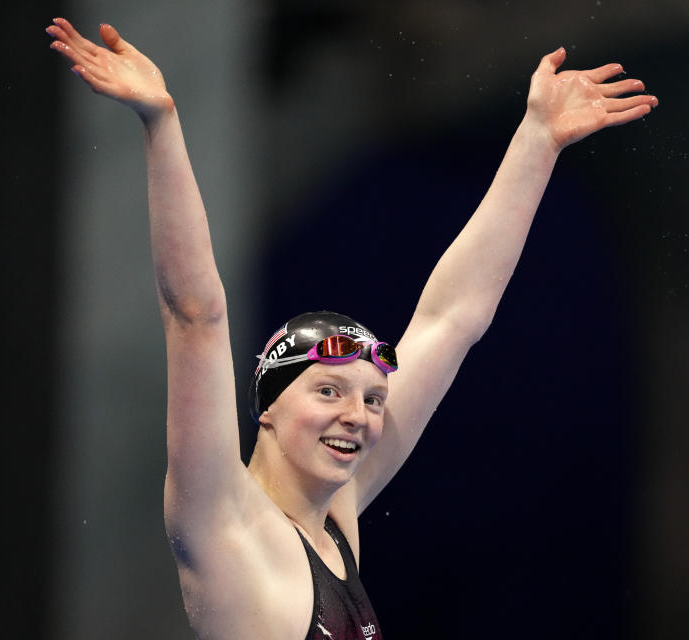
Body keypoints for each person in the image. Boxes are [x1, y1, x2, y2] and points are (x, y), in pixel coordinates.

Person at [47, 16, 657, 640]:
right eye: (330, 392)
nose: (358, 416)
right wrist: (161, 123)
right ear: (269, 407)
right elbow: (195, 316)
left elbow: (451, 319)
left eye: (371, 398)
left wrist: (537, 142)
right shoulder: (223, 524)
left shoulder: (337, 517)